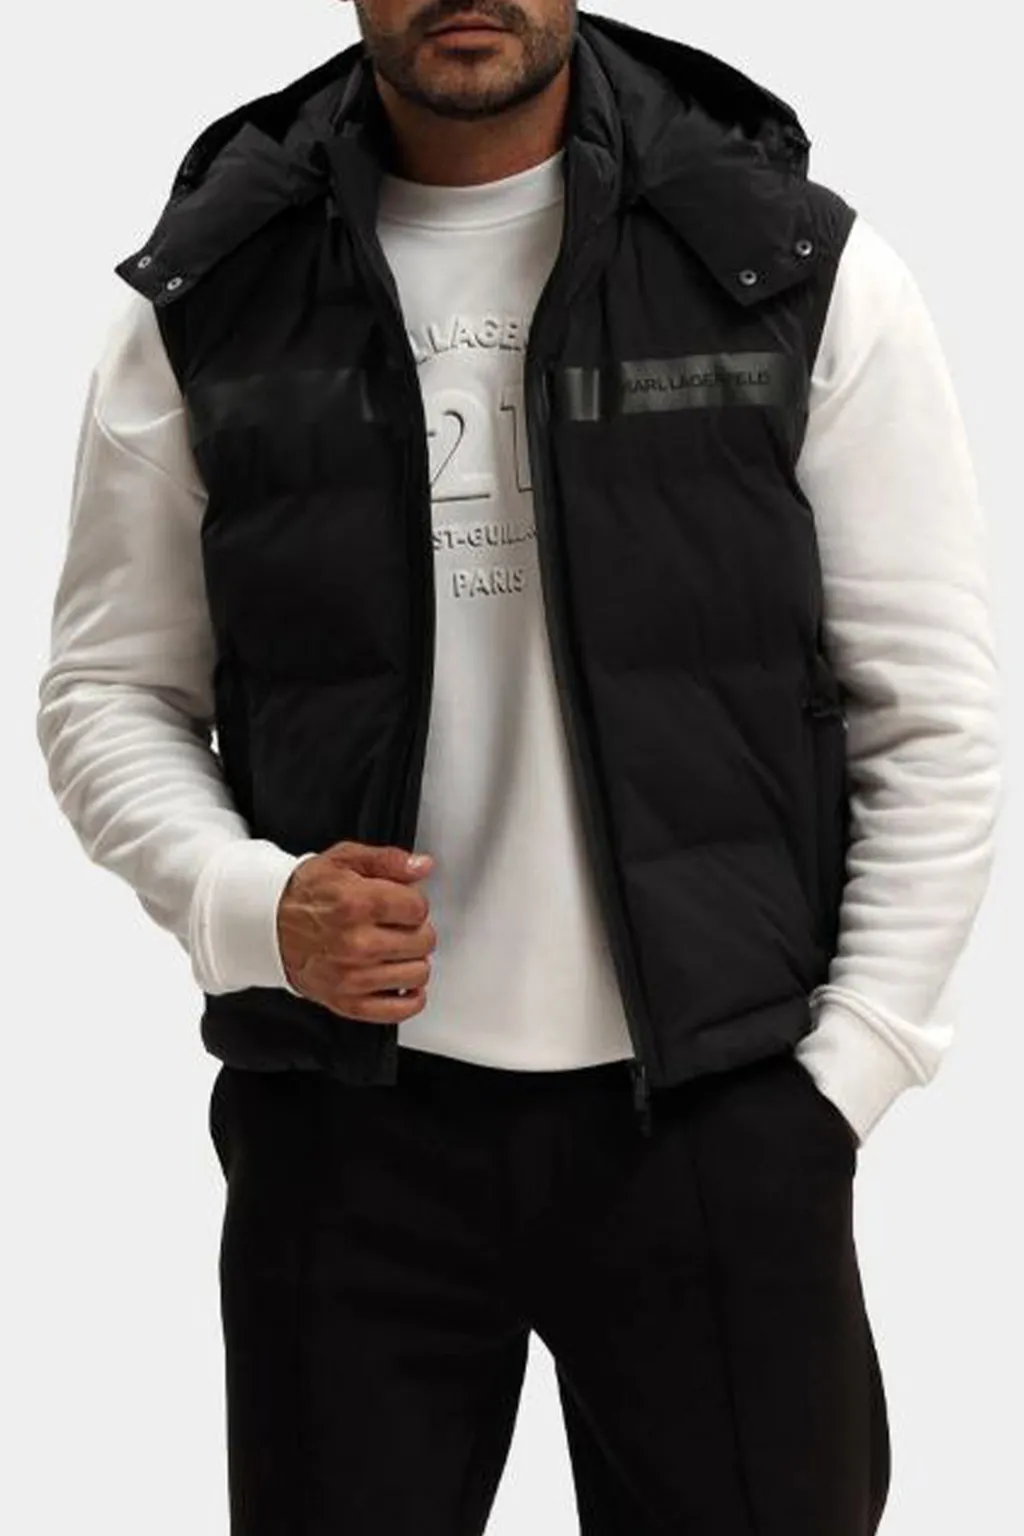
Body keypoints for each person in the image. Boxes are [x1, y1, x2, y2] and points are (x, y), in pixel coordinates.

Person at [36, 3, 1002, 1532]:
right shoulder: (214, 291)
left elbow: (932, 707)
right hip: (345, 1141)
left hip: (716, 1128)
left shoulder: (783, 263)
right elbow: (108, 689)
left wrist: (843, 1079)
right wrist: (248, 904)